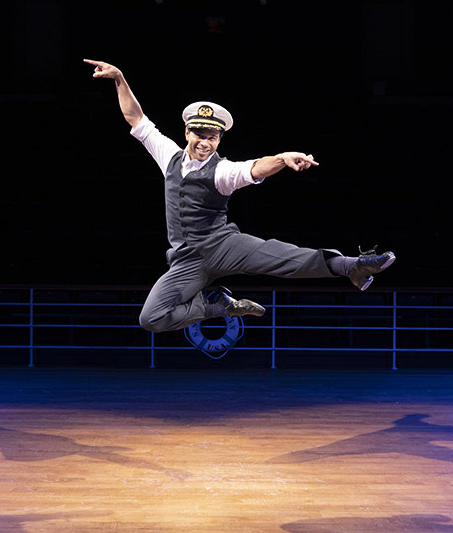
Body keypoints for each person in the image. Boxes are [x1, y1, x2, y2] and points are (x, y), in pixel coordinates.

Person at [84, 59, 395, 333]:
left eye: (212, 136)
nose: (205, 141)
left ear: (219, 138)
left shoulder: (222, 172)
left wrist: (283, 157)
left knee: (283, 257)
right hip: (187, 261)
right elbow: (136, 119)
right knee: (151, 318)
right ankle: (219, 305)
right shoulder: (169, 156)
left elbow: (255, 168)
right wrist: (119, 78)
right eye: (199, 134)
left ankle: (353, 266)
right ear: (187, 132)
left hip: (223, 245)